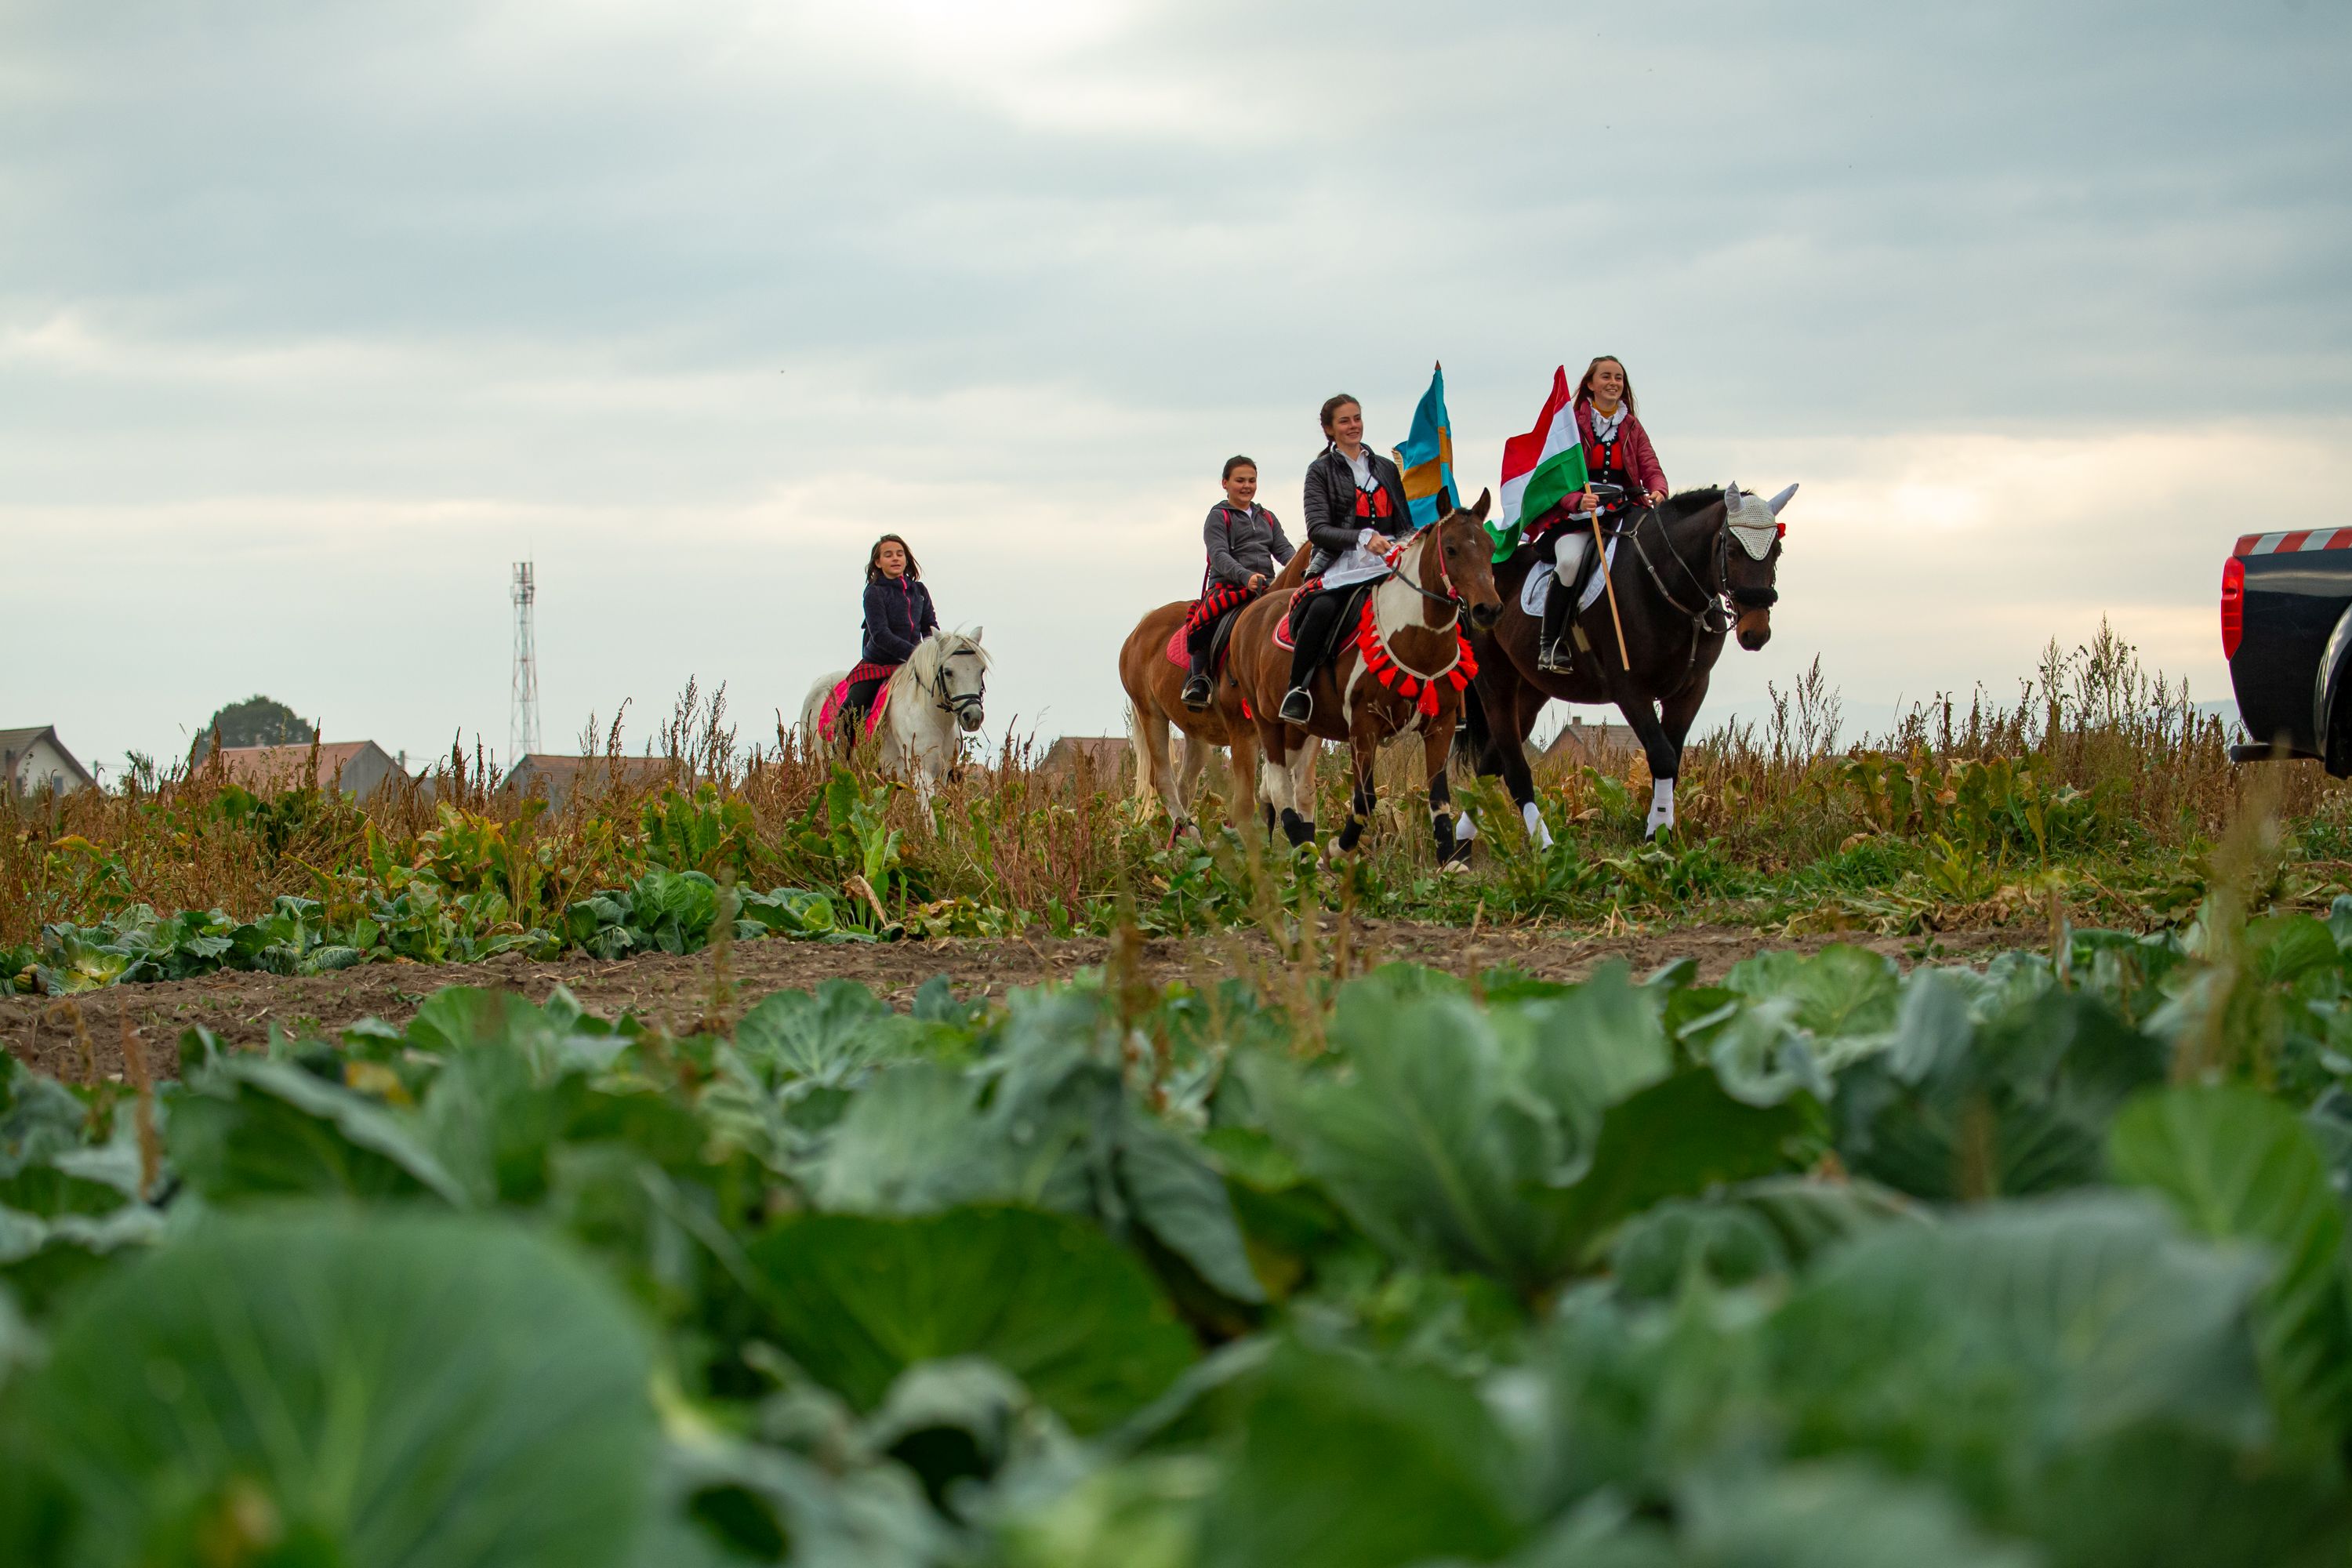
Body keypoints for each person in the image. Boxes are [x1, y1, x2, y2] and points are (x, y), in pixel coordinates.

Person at [1279, 394, 1414, 724]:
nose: (1353, 426)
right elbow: (1318, 530)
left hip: (1390, 561)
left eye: (1357, 418)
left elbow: (1404, 524)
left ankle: (1456, 697)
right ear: (1329, 429)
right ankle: (1298, 689)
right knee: (1323, 609)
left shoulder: (1384, 466)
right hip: (1343, 563)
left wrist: (1411, 542)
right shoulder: (1320, 471)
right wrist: (1363, 538)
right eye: (1344, 421)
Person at [1535, 355, 1668, 673]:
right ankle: (1550, 644)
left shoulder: (1632, 425)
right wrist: (1577, 501)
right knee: (1569, 561)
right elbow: (1555, 478)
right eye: (1606, 377)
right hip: (1580, 516)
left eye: (1619, 378)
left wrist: (1659, 490)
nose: (1613, 383)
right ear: (1591, 384)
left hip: (1624, 510)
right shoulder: (1570, 425)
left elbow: (1650, 467)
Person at [1181, 456, 1295, 709]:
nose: (1247, 486)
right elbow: (1219, 555)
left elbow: (1284, 550)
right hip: (1228, 586)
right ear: (1225, 483)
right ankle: (1198, 680)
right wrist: (1246, 577)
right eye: (1240, 480)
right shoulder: (1218, 516)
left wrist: (1304, 567)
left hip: (1266, 585)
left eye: (1252, 481)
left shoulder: (1267, 517)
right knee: (1203, 620)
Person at [845, 533, 939, 724]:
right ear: (878, 563)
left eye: (900, 554)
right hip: (879, 663)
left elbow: (930, 627)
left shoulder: (920, 591)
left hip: (913, 663)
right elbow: (880, 634)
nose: (895, 558)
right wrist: (915, 653)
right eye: (888, 555)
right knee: (852, 709)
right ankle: (840, 747)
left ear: (906, 559)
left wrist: (935, 651)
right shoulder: (874, 592)